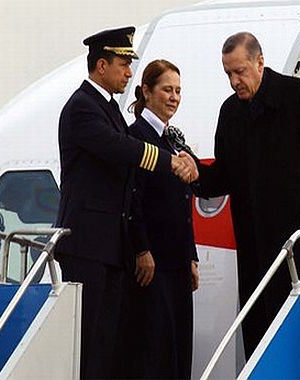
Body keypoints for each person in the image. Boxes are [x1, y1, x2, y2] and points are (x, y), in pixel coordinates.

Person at [54, 27, 198, 378]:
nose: (129, 73)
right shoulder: (82, 108)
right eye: (123, 64)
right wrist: (169, 160)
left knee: (109, 350)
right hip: (88, 245)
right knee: (90, 349)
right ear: (101, 65)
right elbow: (120, 148)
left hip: (110, 248)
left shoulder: (109, 110)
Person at [197, 32, 300, 358]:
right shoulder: (230, 113)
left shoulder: (297, 97)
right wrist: (194, 173)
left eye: (240, 71)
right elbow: (223, 177)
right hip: (255, 246)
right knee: (261, 333)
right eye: (228, 74)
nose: (235, 81)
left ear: (259, 62)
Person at [125, 59, 199, 379]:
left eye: (178, 91)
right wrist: (142, 249)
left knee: (180, 351)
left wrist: (192, 256)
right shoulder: (135, 137)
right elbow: (132, 198)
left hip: (178, 262)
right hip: (152, 263)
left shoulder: (174, 140)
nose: (174, 97)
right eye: (167, 89)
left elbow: (185, 203)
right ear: (146, 91)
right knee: (155, 351)